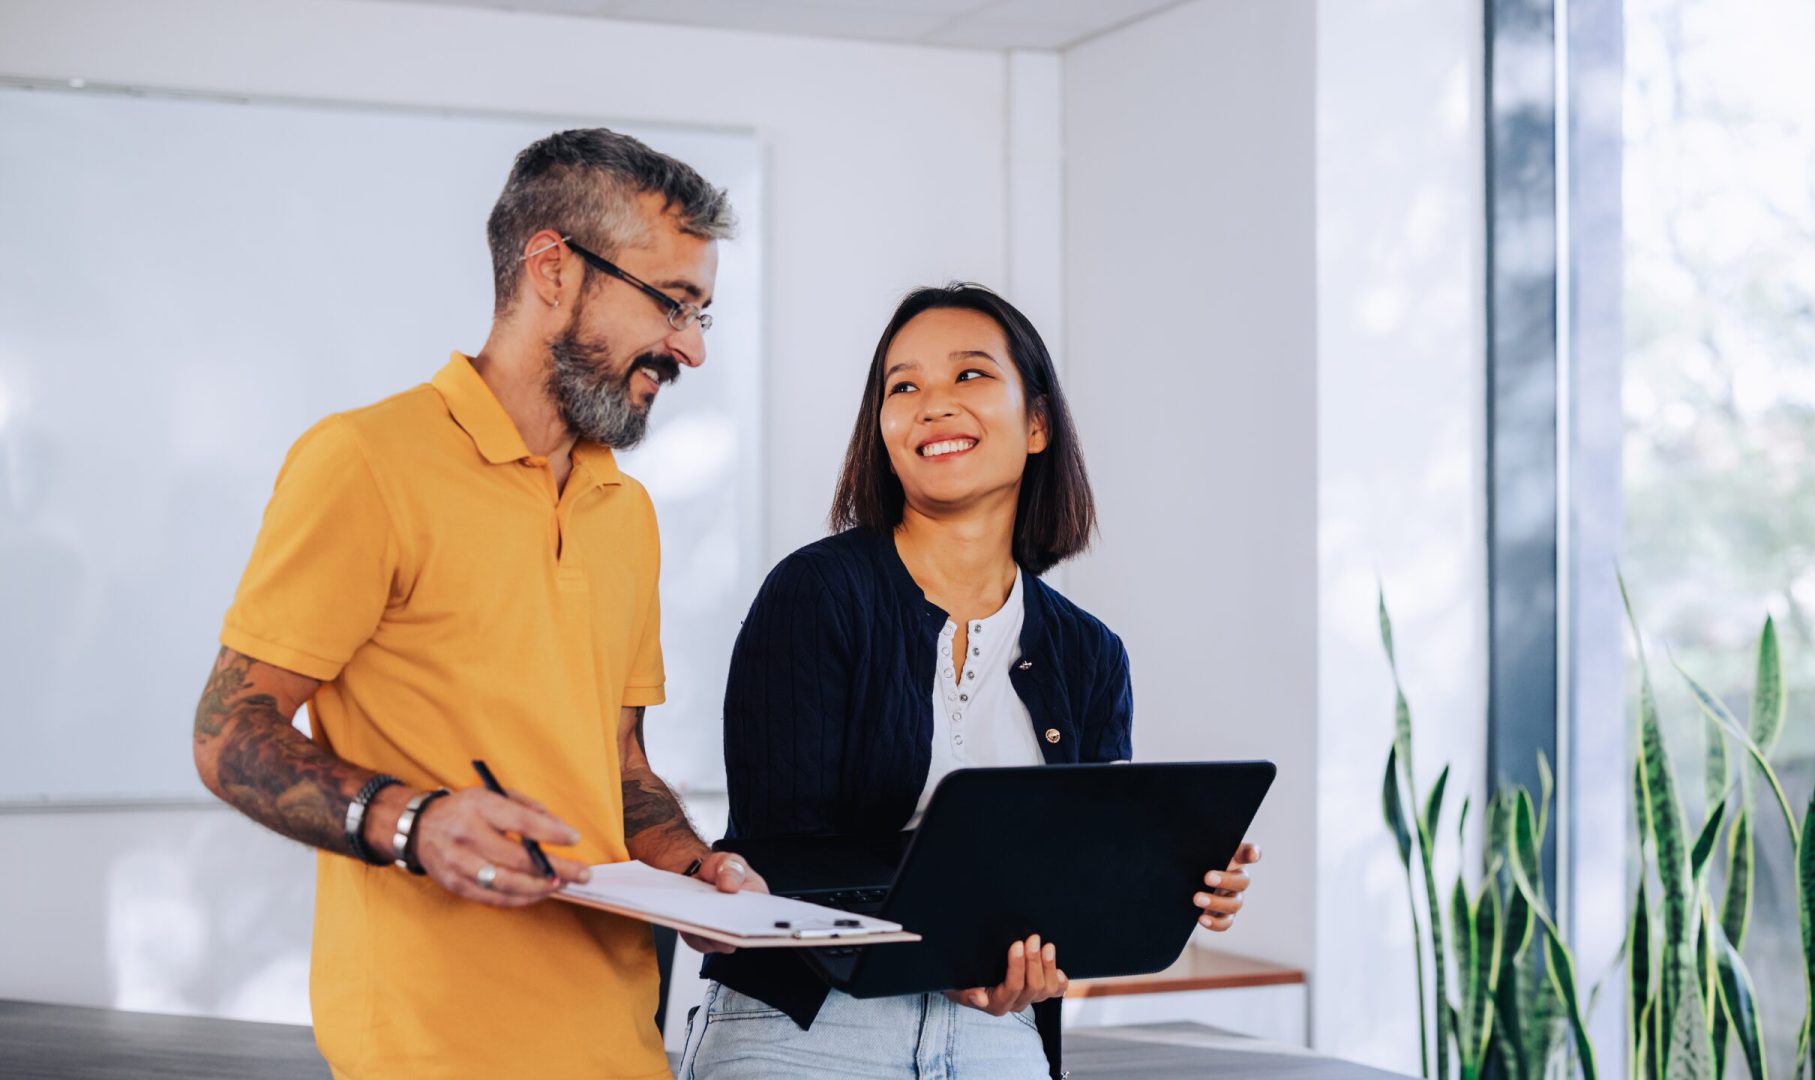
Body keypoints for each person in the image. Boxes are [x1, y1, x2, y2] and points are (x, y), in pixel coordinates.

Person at [191, 127, 765, 1080]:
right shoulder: (366, 464)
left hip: (619, 1042)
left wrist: (697, 870)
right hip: (430, 1050)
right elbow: (228, 731)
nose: (692, 348)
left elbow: (616, 768)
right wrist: (411, 822)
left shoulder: (625, 509)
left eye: (704, 312)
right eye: (673, 303)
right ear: (552, 269)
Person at [680, 284, 1260, 1079]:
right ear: (882, 429)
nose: (932, 405)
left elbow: (1076, 879)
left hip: (1000, 1034)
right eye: (904, 386)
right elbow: (787, 858)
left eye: (971, 376)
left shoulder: (1091, 654)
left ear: (1036, 424)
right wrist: (961, 934)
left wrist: (1165, 881)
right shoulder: (815, 596)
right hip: (809, 1027)